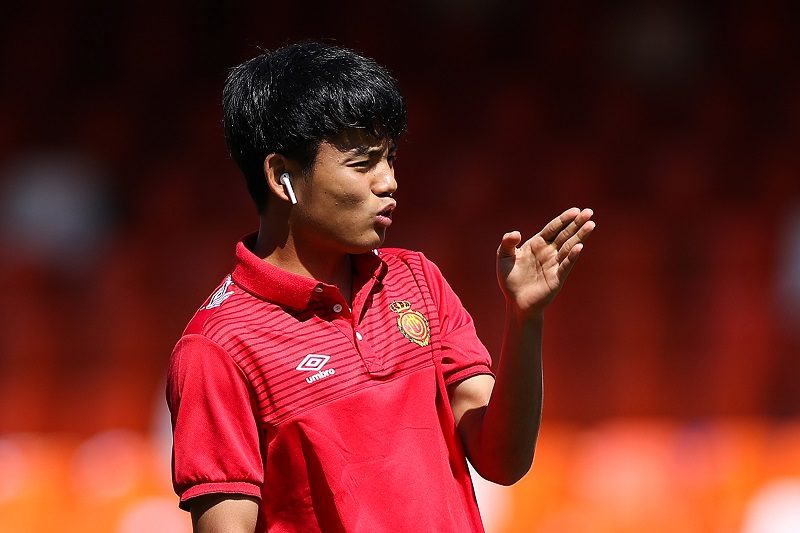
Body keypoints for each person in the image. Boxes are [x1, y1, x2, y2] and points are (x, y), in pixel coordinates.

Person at [166, 41, 595, 533]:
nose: (389, 182)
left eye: (390, 158)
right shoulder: (218, 347)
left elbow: (503, 461)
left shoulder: (417, 279)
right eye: (363, 163)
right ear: (283, 176)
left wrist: (525, 319)